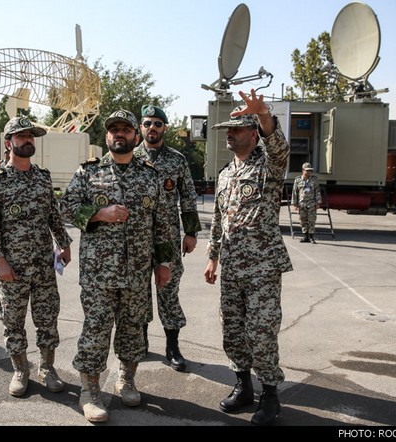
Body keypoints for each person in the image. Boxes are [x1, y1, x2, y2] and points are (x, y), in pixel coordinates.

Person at [59, 109, 175, 423]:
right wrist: (100, 214)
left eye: (125, 129)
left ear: (135, 136)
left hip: (138, 271)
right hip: (99, 273)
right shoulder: (89, 172)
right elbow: (65, 208)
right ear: (107, 136)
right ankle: (90, 390)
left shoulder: (150, 174)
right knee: (96, 330)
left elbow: (162, 224)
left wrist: (164, 264)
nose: (119, 134)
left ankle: (127, 377)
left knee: (133, 328)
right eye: (114, 130)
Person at [203, 90, 293, 426]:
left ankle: (270, 395)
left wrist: (265, 114)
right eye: (227, 130)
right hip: (232, 267)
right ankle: (243, 385)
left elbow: (279, 148)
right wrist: (213, 258)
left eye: (236, 129)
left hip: (263, 268)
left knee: (262, 332)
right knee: (233, 330)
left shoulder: (270, 166)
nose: (229, 134)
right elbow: (218, 220)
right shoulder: (225, 174)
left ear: (253, 134)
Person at [0, 116, 73, 398]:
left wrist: (64, 243)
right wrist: (0, 262)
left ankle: (47, 368)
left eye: (30, 136)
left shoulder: (42, 177)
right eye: (21, 136)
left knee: (47, 318)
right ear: (9, 143)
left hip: (44, 265)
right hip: (13, 268)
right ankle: (21, 370)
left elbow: (53, 216)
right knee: (13, 320)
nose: (27, 140)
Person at [134, 104, 201, 371]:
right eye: (148, 123)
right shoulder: (130, 157)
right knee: (138, 291)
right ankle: (140, 343)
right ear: (141, 128)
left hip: (170, 238)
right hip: (137, 237)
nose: (152, 128)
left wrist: (192, 232)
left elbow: (188, 197)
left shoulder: (177, 160)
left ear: (165, 128)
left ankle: (172, 347)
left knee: (168, 291)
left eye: (157, 124)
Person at [291, 162, 321, 243]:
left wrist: (318, 202)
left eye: (310, 171)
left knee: (312, 220)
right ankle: (305, 236)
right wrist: (295, 204)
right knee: (303, 220)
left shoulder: (314, 180)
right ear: (303, 170)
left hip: (311, 203)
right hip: (302, 204)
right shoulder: (298, 180)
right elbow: (295, 192)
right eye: (307, 171)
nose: (309, 172)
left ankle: (311, 237)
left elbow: (317, 191)